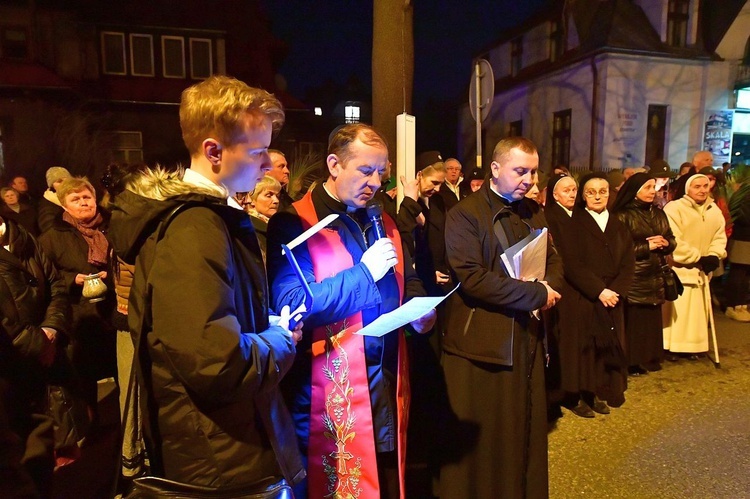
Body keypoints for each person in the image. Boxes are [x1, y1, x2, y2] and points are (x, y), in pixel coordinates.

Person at [107, 75, 306, 492]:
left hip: (227, 446)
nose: (268, 165)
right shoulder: (194, 229)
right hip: (218, 461)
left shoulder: (214, 218)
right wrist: (281, 338)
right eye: (256, 152)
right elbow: (216, 363)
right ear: (213, 151)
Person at [266, 123, 436, 499]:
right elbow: (293, 304)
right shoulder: (294, 222)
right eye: (365, 170)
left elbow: (408, 281)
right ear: (334, 164)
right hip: (325, 390)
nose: (375, 182)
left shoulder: (383, 219)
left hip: (385, 383)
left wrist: (420, 312)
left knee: (385, 481)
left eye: (382, 172)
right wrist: (364, 274)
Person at [440, 137, 562, 498]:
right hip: (483, 346)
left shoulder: (533, 212)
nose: (528, 179)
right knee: (490, 442)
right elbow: (472, 277)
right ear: (496, 169)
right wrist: (536, 294)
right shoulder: (465, 213)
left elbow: (554, 259)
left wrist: (551, 286)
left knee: (521, 430)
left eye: (533, 171)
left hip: (526, 339)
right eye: (520, 170)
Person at [0, 216, 69, 498]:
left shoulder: (23, 236)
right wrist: (37, 343)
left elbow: (56, 285)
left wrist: (51, 329)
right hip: (8, 364)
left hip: (39, 360)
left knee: (40, 440)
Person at [38, 177, 116, 426]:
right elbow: (44, 275)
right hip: (80, 317)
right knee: (85, 374)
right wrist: (74, 279)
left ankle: (128, 421)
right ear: (65, 206)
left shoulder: (113, 226)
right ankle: (92, 423)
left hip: (115, 311)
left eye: (87, 197)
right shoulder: (53, 236)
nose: (83, 202)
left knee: (122, 368)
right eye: (76, 199)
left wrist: (113, 275)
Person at [557, 173, 635, 415]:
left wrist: (617, 291)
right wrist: (599, 291)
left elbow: (628, 263)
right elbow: (571, 263)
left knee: (605, 348)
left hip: (613, 297)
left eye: (603, 191)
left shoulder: (619, 224)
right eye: (591, 192)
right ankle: (577, 395)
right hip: (586, 295)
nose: (598, 196)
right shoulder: (573, 224)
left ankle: (596, 390)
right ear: (584, 196)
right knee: (584, 348)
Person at [612, 173, 676, 374]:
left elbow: (671, 237)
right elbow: (618, 248)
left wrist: (667, 244)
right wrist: (646, 246)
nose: (653, 192)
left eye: (653, 187)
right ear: (635, 191)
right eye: (648, 187)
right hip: (636, 276)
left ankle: (650, 356)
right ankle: (632, 361)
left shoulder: (658, 213)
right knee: (635, 321)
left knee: (651, 318)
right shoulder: (622, 215)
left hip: (655, 273)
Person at [663, 173, 727, 360]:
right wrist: (696, 257)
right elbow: (674, 238)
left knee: (696, 314)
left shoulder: (713, 210)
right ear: (688, 189)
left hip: (701, 271)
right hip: (680, 269)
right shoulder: (675, 208)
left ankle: (693, 346)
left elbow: (719, 236)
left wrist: (714, 255)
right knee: (678, 311)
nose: (702, 190)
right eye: (697, 186)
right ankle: (671, 346)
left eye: (705, 186)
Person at [725, 172, 750, 321]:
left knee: (745, 274)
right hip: (743, 238)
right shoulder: (745, 192)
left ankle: (742, 304)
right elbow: (743, 215)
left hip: (745, 237)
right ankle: (734, 305)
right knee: (739, 273)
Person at [245, 175, 282, 258]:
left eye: (277, 196)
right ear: (252, 199)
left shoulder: (275, 226)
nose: (276, 201)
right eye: (269, 195)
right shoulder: (249, 228)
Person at [38, 167, 71, 233]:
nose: (64, 183)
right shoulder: (48, 204)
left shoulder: (76, 197)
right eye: (59, 181)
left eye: (67, 180)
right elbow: (50, 231)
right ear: (52, 185)